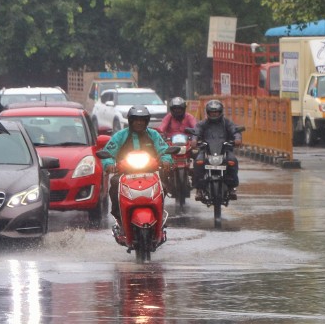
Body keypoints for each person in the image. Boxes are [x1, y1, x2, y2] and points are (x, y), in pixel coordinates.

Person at [99, 106, 173, 237]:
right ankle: (120, 218)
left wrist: (166, 160)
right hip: (125, 175)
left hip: (150, 174)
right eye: (136, 120)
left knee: (163, 185)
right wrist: (109, 164)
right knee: (114, 182)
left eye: (142, 120)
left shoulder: (154, 135)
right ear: (131, 121)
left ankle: (159, 217)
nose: (139, 123)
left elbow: (163, 149)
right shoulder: (120, 136)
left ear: (146, 121)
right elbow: (109, 153)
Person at [191, 99, 242, 200]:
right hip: (205, 150)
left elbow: (235, 130)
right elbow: (196, 132)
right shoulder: (202, 124)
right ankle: (199, 189)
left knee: (232, 161)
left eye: (216, 112)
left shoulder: (226, 123)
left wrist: (237, 139)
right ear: (208, 112)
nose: (214, 114)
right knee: (198, 162)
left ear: (220, 112)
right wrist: (194, 140)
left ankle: (232, 187)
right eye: (212, 112)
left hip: (224, 150)